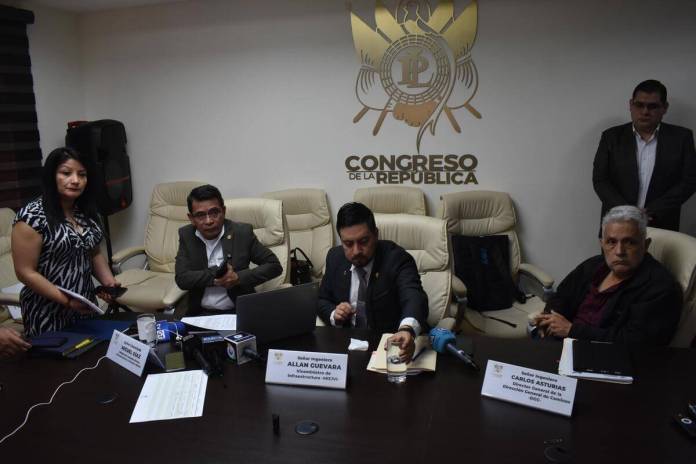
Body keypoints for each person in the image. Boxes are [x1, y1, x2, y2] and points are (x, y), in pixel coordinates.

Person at [532, 205, 681, 345]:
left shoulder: (660, 287)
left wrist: (572, 330)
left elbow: (638, 342)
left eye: (630, 242)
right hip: (561, 344)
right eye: (611, 242)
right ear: (602, 244)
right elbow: (561, 297)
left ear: (646, 245)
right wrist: (548, 319)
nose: (619, 251)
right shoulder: (593, 265)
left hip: (606, 360)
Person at [12, 147, 120, 337]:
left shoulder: (85, 212)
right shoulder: (32, 217)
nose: (76, 180)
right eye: (66, 173)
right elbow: (25, 272)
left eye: (82, 174)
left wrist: (108, 282)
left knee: (91, 361)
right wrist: (66, 300)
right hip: (47, 312)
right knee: (57, 366)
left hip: (85, 306)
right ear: (51, 176)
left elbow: (93, 252)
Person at [317, 202, 428, 362]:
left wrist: (407, 329)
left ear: (375, 234)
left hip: (389, 346)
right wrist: (335, 314)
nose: (356, 251)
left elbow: (414, 297)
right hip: (348, 346)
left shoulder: (397, 258)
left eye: (363, 241)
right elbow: (322, 299)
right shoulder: (335, 257)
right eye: (348, 244)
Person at [592, 79, 696, 231]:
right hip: (617, 226)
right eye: (639, 105)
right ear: (630, 104)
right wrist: (627, 212)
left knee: (659, 256)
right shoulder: (611, 137)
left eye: (652, 106)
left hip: (662, 225)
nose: (645, 111)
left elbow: (690, 181)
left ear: (664, 108)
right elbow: (600, 179)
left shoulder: (681, 138)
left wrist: (652, 211)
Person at [175, 184, 282, 315]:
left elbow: (274, 266)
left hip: (238, 311)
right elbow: (182, 279)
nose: (209, 221)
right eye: (201, 215)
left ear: (223, 211)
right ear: (191, 218)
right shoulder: (187, 235)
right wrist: (216, 276)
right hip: (199, 313)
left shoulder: (242, 233)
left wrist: (238, 278)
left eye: (214, 213)